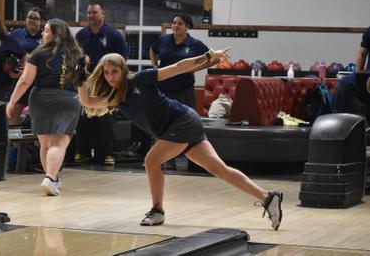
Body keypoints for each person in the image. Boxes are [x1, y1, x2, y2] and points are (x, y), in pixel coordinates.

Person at [76, 50, 283, 230]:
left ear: (123, 70)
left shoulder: (141, 79)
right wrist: (80, 76)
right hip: (180, 126)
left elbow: (178, 67)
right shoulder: (114, 96)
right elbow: (86, 100)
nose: (111, 76)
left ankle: (157, 210)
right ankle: (268, 198)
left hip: (181, 122)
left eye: (115, 71)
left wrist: (207, 57)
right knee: (219, 169)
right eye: (107, 72)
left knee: (151, 161)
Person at [6, 18, 82, 196]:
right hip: (68, 100)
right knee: (59, 142)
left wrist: (12, 101)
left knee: (45, 143)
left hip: (41, 99)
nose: (42, 33)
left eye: (46, 31)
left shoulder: (38, 53)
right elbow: (82, 83)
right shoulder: (77, 55)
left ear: (56, 34)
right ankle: (51, 177)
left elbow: (25, 81)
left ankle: (52, 177)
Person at [149, 14, 217, 170]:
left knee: (189, 124)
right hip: (164, 90)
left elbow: (214, 59)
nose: (175, 26)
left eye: (180, 23)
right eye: (173, 23)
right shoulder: (164, 40)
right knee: (163, 125)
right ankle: (165, 160)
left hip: (184, 91)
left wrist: (195, 68)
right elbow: (153, 51)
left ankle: (195, 162)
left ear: (187, 26)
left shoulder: (194, 44)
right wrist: (154, 67)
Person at [74, 2, 127, 165]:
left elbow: (122, 60)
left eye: (94, 13)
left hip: (107, 82)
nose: (90, 16)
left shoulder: (114, 35)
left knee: (105, 119)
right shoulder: (81, 35)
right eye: (88, 13)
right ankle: (82, 152)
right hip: (86, 82)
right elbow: (75, 57)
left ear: (103, 14)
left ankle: (106, 154)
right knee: (83, 117)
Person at [9, 8, 44, 125]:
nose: (33, 21)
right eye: (30, 17)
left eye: (36, 18)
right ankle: (15, 143)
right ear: (25, 19)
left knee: (37, 118)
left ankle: (35, 143)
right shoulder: (15, 34)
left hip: (38, 82)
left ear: (40, 22)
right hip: (18, 80)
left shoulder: (45, 36)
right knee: (13, 115)